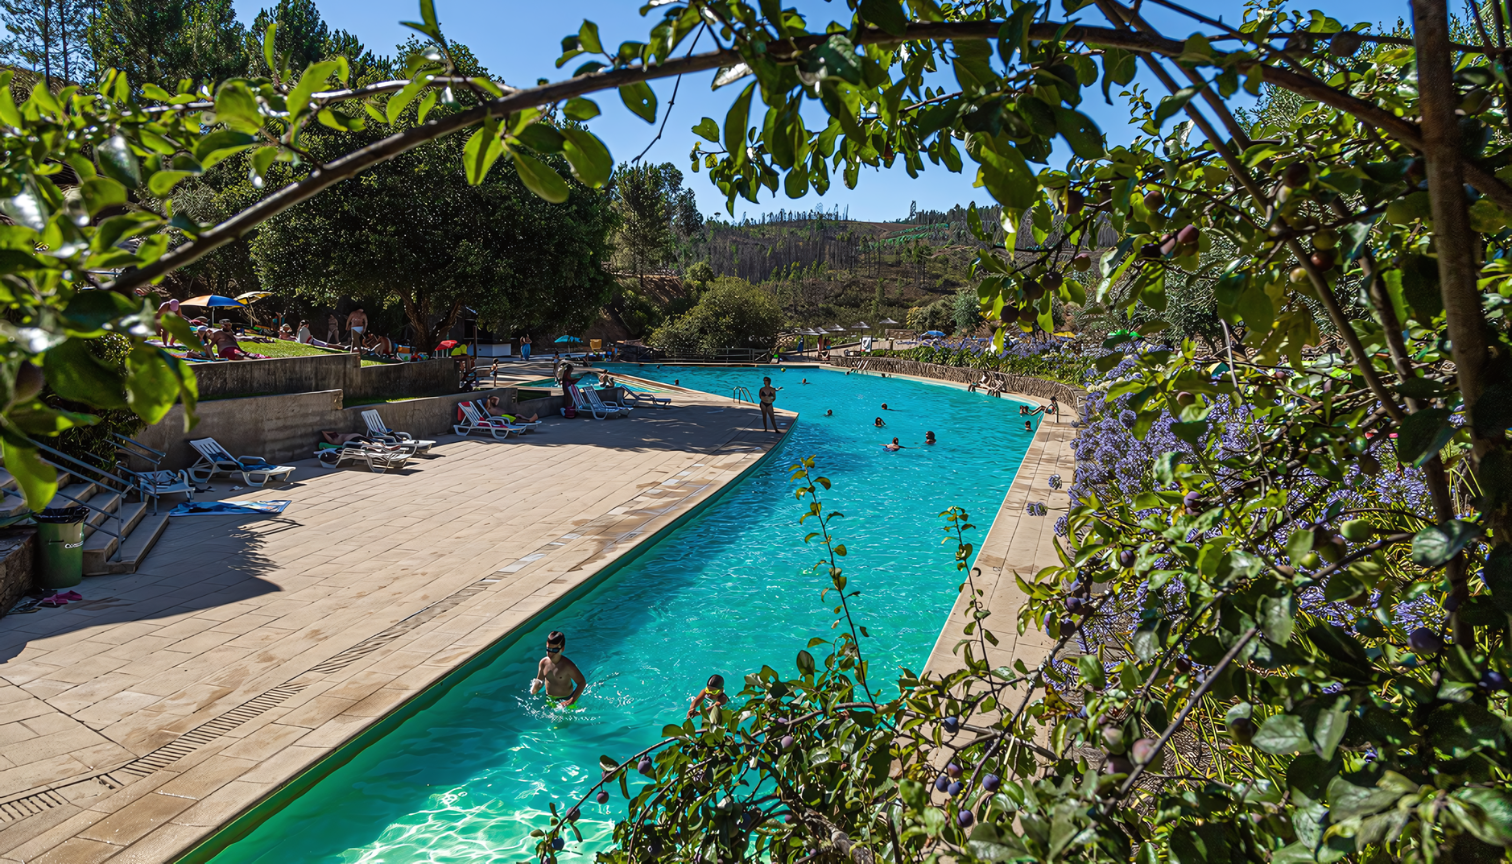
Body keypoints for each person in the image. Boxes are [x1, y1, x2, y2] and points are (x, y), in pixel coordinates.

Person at [531, 631, 586, 706]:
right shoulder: (543, 663)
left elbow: (582, 682)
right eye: (548, 649)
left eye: (554, 650)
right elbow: (540, 680)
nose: (550, 653)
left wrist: (571, 700)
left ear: (562, 649)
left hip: (566, 699)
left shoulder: (568, 666)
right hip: (550, 698)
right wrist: (534, 690)